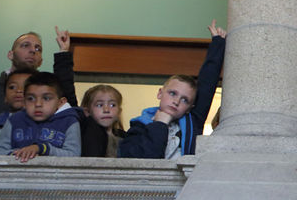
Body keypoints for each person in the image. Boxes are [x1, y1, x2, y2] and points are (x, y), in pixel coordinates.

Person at [118, 21, 226, 159]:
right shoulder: (138, 127)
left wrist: (218, 44)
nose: (176, 101)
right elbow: (149, 161)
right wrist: (160, 124)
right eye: (172, 93)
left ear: (189, 108)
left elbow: (207, 84)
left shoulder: (192, 122)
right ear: (160, 93)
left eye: (184, 100)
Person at [52, 26, 125, 157]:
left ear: (119, 111)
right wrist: (63, 52)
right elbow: (66, 91)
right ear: (86, 111)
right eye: (99, 105)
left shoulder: (125, 139)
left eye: (112, 105)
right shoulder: (80, 131)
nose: (106, 109)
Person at [0, 72, 81, 162]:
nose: (38, 104)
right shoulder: (14, 120)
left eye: (46, 98)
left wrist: (42, 149)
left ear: (60, 102)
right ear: (24, 101)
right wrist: (22, 153)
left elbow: (73, 155)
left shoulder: (69, 122)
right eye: (31, 99)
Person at [0, 69, 32, 137]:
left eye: (26, 87)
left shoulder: (47, 124)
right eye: (12, 87)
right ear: (5, 97)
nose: (19, 90)